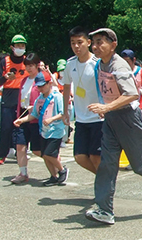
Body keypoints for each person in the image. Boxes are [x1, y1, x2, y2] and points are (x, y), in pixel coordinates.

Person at [84, 28, 142, 225]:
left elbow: (132, 94)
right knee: (107, 164)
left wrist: (106, 106)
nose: (96, 46)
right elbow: (106, 89)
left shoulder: (120, 66)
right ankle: (105, 210)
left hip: (128, 119)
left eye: (100, 42)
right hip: (110, 118)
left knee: (139, 164)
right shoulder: (100, 64)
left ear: (113, 44)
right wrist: (104, 108)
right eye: (94, 42)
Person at [13, 71, 69, 186]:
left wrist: (51, 119)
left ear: (49, 84)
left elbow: (63, 113)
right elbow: (34, 114)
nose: (40, 88)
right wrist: (21, 120)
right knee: (44, 155)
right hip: (44, 131)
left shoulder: (57, 96)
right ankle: (53, 176)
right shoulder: (39, 99)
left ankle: (62, 170)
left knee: (49, 154)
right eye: (38, 86)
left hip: (56, 131)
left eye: (43, 85)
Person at [62, 26, 102, 174]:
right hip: (81, 118)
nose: (76, 46)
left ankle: (104, 187)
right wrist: (65, 111)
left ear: (89, 42)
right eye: (73, 43)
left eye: (80, 42)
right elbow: (66, 87)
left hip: (99, 118)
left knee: (95, 156)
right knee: (80, 157)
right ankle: (105, 179)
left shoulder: (98, 63)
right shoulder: (70, 63)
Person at [10, 53, 45, 184]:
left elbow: (48, 95)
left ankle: (56, 164)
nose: (29, 68)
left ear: (37, 65)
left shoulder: (42, 79)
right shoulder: (24, 80)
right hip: (23, 114)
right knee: (20, 145)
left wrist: (36, 106)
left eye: (31, 65)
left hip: (36, 116)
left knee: (37, 149)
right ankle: (23, 173)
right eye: (27, 66)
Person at [0, 34, 29, 164]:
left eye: (22, 46)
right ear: (12, 47)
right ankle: (1, 155)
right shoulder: (5, 61)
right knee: (6, 127)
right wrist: (6, 78)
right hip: (8, 95)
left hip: (22, 95)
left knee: (21, 127)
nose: (20, 48)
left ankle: (20, 153)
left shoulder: (27, 61)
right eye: (18, 46)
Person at [121, 49, 142, 151]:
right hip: (126, 106)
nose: (125, 64)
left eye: (127, 61)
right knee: (130, 134)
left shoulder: (141, 72)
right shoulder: (120, 72)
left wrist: (141, 91)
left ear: (133, 60)